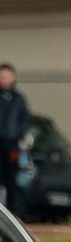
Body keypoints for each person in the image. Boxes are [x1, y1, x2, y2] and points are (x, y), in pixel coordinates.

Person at [0, 64, 29, 211]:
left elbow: (25, 119)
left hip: (11, 145)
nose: (4, 80)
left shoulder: (18, 99)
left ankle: (13, 212)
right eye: (1, 76)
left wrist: (17, 133)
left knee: (12, 181)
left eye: (6, 76)